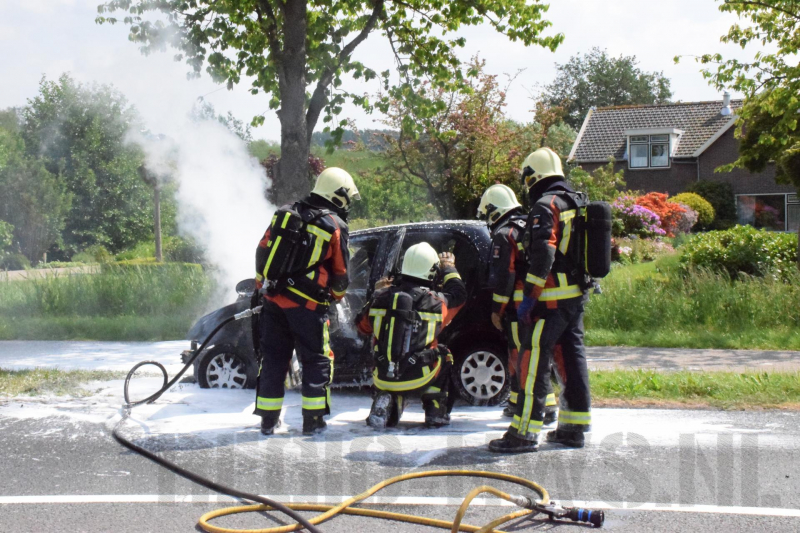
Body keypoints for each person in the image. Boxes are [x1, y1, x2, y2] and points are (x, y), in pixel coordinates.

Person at [489, 147, 592, 453]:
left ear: (534, 176)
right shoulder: (576, 201)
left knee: (532, 358)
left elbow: (544, 251)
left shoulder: (546, 205)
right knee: (572, 359)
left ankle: (523, 433)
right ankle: (573, 427)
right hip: (575, 297)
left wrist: (529, 299)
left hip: (550, 300)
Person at [253, 167, 359, 436]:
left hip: (273, 302)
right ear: (340, 195)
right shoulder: (334, 225)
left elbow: (262, 249)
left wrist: (262, 286)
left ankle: (267, 420)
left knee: (274, 359)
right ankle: (313, 421)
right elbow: (341, 274)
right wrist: (335, 298)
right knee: (317, 360)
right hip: (309, 308)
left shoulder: (286, 212)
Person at [356, 242, 467, 429]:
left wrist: (376, 293)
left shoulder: (379, 298)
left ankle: (389, 399)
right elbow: (459, 294)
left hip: (383, 375)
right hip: (420, 375)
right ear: (432, 271)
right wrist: (449, 268)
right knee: (444, 354)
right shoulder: (436, 303)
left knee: (388, 365)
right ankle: (435, 410)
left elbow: (362, 327)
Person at [477, 184, 559, 424]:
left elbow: (505, 276)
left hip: (518, 306)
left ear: (493, 209)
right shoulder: (526, 225)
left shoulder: (504, 234)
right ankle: (520, 401)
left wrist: (496, 311)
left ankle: (537, 407)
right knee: (533, 355)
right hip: (538, 302)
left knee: (520, 356)